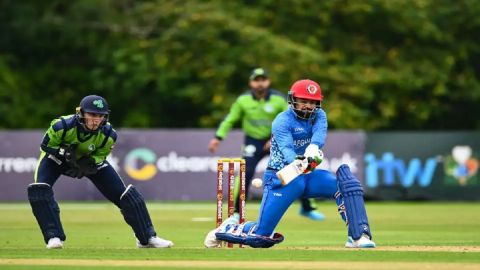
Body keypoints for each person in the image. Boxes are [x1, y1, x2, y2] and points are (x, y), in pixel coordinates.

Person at [204, 79, 376, 248]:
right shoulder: (282, 120)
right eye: (303, 101)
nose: (308, 105)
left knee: (346, 187)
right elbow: (287, 152)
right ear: (293, 99)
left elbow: (319, 136)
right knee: (261, 237)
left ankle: (357, 236)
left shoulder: (320, 115)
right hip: (282, 177)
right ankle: (226, 229)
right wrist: (303, 161)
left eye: (312, 102)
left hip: (307, 176)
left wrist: (313, 150)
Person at [28, 95, 173, 249]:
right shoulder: (61, 125)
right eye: (92, 115)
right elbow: (46, 145)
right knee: (40, 190)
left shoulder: (108, 135)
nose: (96, 120)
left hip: (87, 161)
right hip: (55, 160)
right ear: (81, 113)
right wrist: (64, 153)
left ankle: (147, 238)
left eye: (100, 116)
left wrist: (89, 163)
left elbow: (100, 155)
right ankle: (54, 237)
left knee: (126, 195)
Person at [208, 68, 325, 221]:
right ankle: (237, 212)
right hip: (253, 141)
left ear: (268, 82)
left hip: (278, 140)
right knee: (246, 171)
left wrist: (274, 139)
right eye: (256, 80)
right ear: (251, 82)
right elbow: (230, 119)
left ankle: (307, 208)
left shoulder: (278, 99)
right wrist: (218, 137)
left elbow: (290, 118)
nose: (260, 84)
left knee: (297, 167)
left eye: (263, 80)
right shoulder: (243, 100)